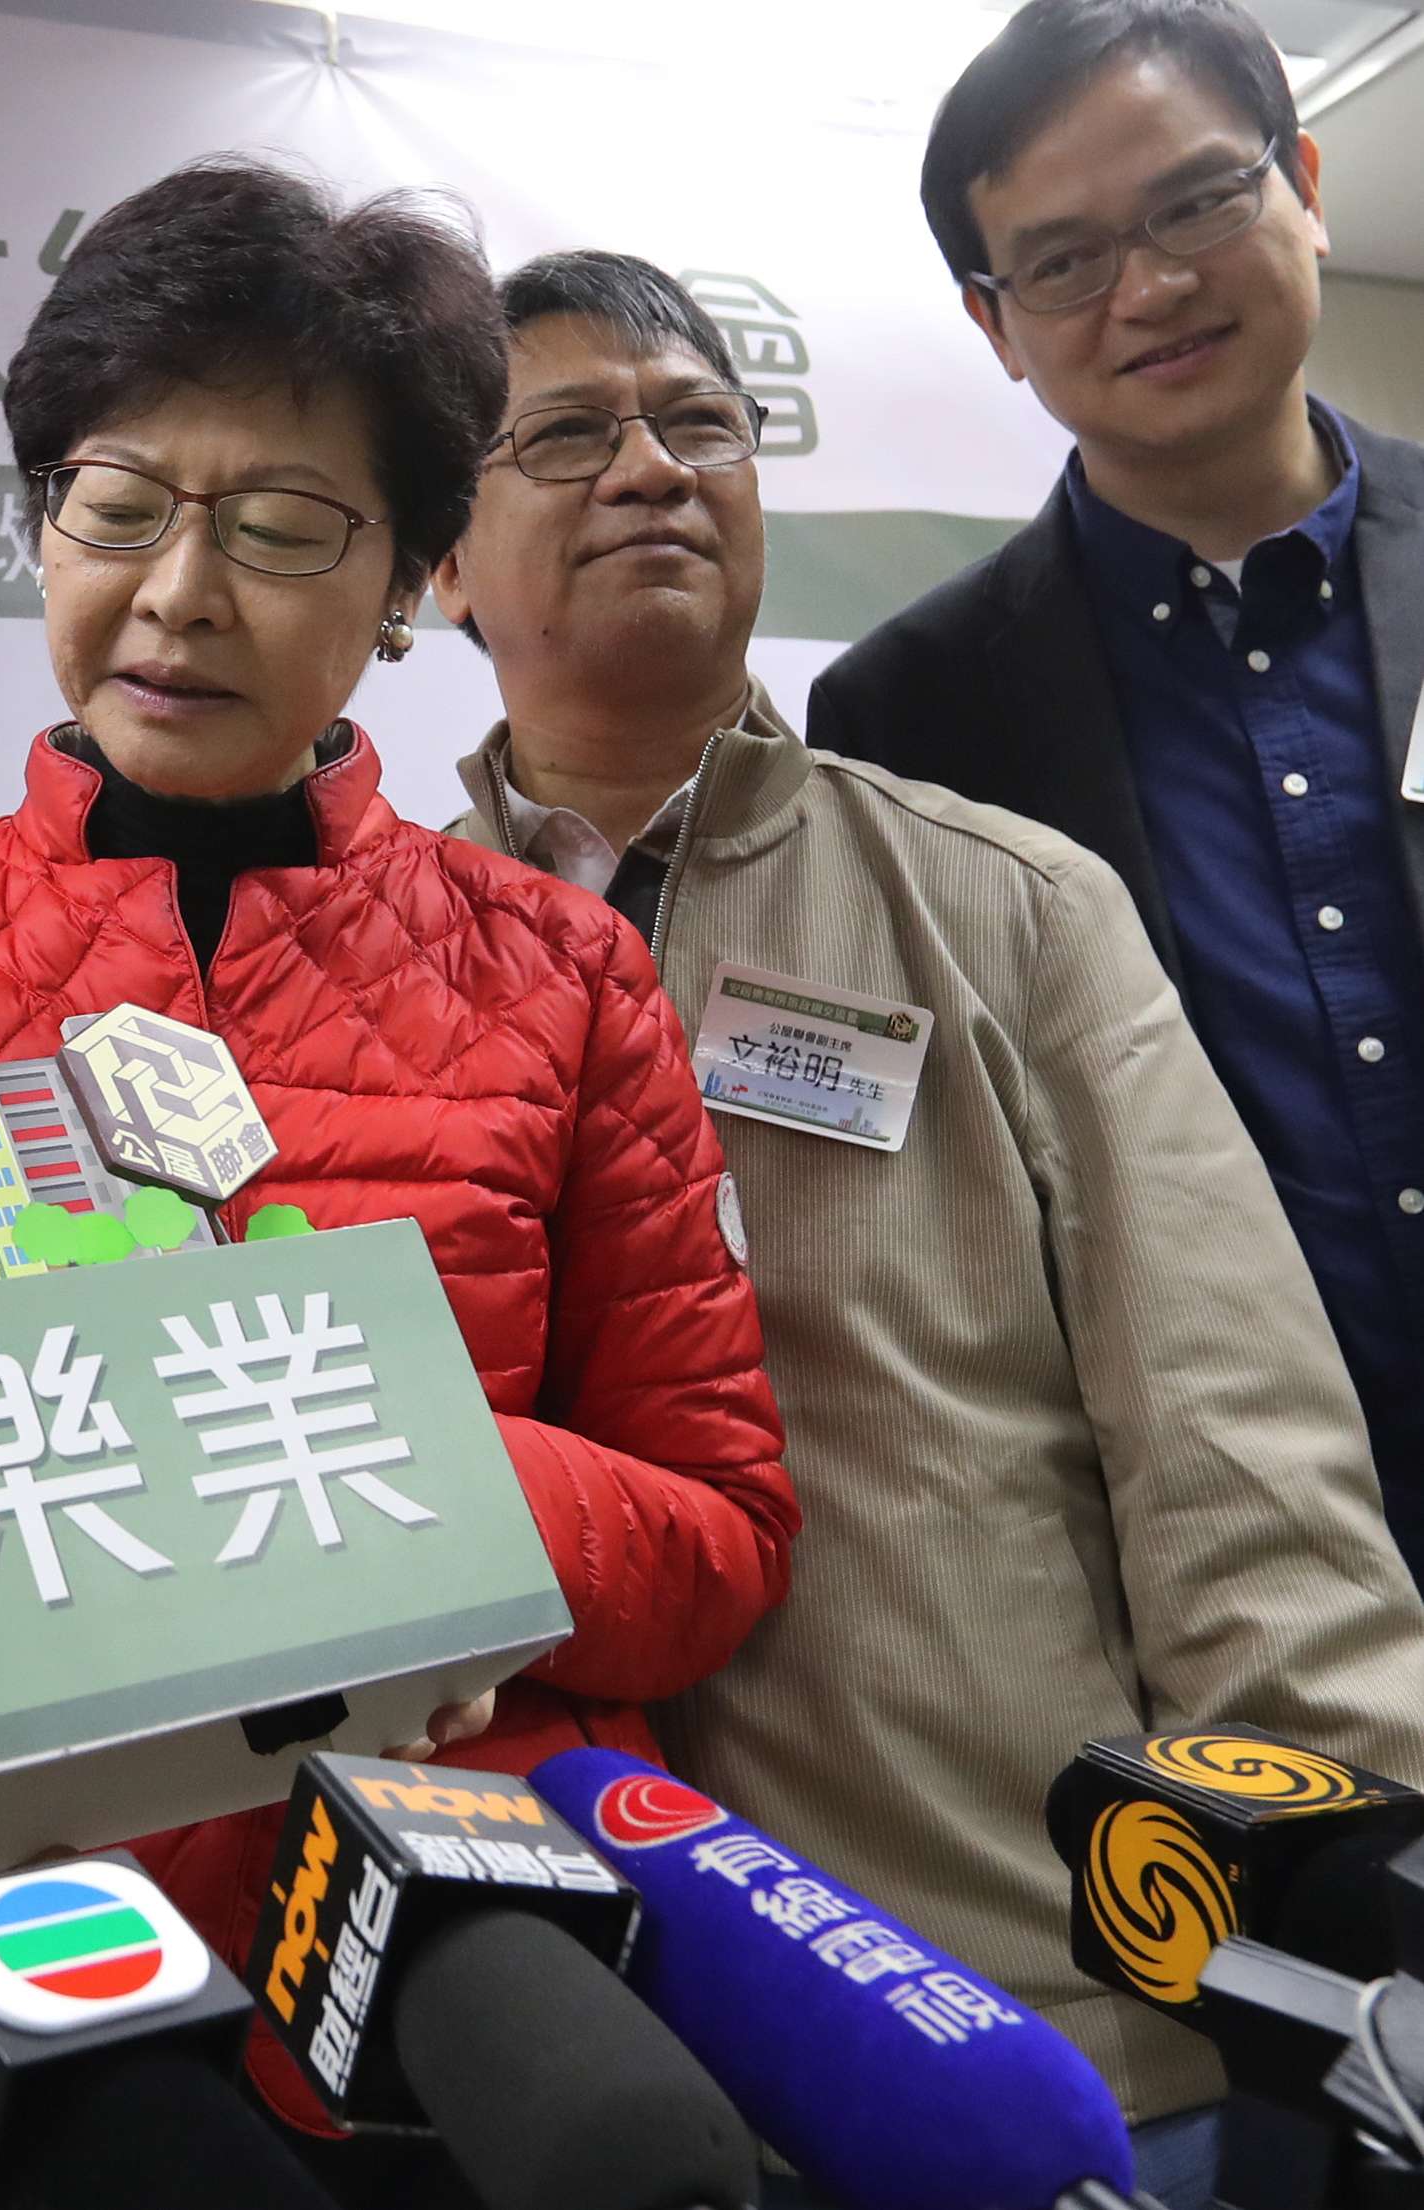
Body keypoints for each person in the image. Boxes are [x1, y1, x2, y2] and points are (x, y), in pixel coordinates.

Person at [0, 161, 798, 2181]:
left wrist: (385, 1469)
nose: (175, 592)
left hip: (478, 1930)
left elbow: (716, 1537)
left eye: (276, 528)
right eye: (116, 503)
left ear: (416, 574)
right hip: (26, 1933)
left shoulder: (560, 972)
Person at [433, 248, 1424, 2206]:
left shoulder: (1004, 909)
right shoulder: (365, 973)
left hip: (1029, 2011)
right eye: (562, 434)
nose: (649, 466)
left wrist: (1348, 1927)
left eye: (697, 423)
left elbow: (1235, 1449)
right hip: (566, 2045)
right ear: (437, 566)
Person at [810, 0, 1424, 1568]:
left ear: (1301, 181)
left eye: (1198, 203)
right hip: (1234, 1540)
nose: (1148, 287)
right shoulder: (905, 714)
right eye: (1065, 259)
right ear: (994, 323)